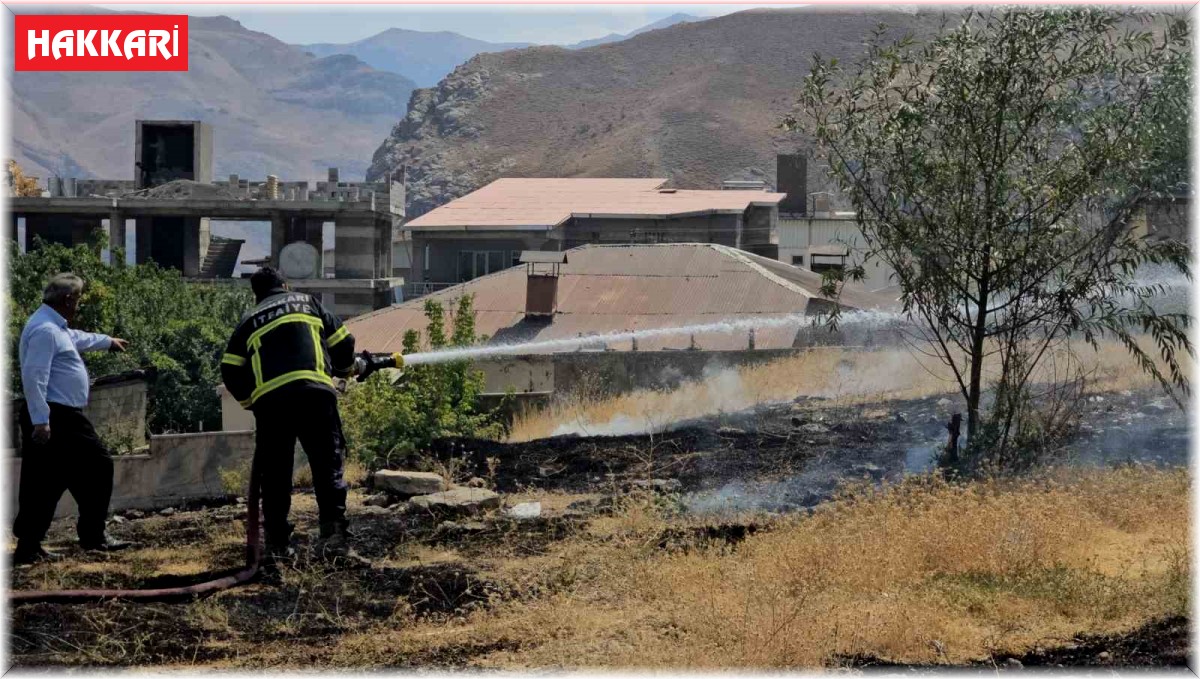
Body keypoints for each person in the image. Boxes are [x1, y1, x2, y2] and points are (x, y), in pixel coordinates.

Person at [220, 267, 357, 559]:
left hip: (272, 405)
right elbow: (344, 342)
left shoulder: (249, 320)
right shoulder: (307, 302)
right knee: (326, 465)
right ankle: (334, 537)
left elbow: (230, 370)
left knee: (275, 474)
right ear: (284, 284)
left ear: (256, 294)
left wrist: (251, 402)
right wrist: (344, 370)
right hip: (315, 394)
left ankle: (277, 546)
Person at [13, 273, 133, 565]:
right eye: (78, 299)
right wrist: (42, 421)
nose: (78, 305)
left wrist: (107, 341)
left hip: (56, 415)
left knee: (46, 481)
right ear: (68, 299)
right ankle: (93, 536)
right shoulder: (45, 330)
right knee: (99, 465)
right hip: (57, 416)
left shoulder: (53, 326)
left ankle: (29, 546)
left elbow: (77, 338)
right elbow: (34, 376)